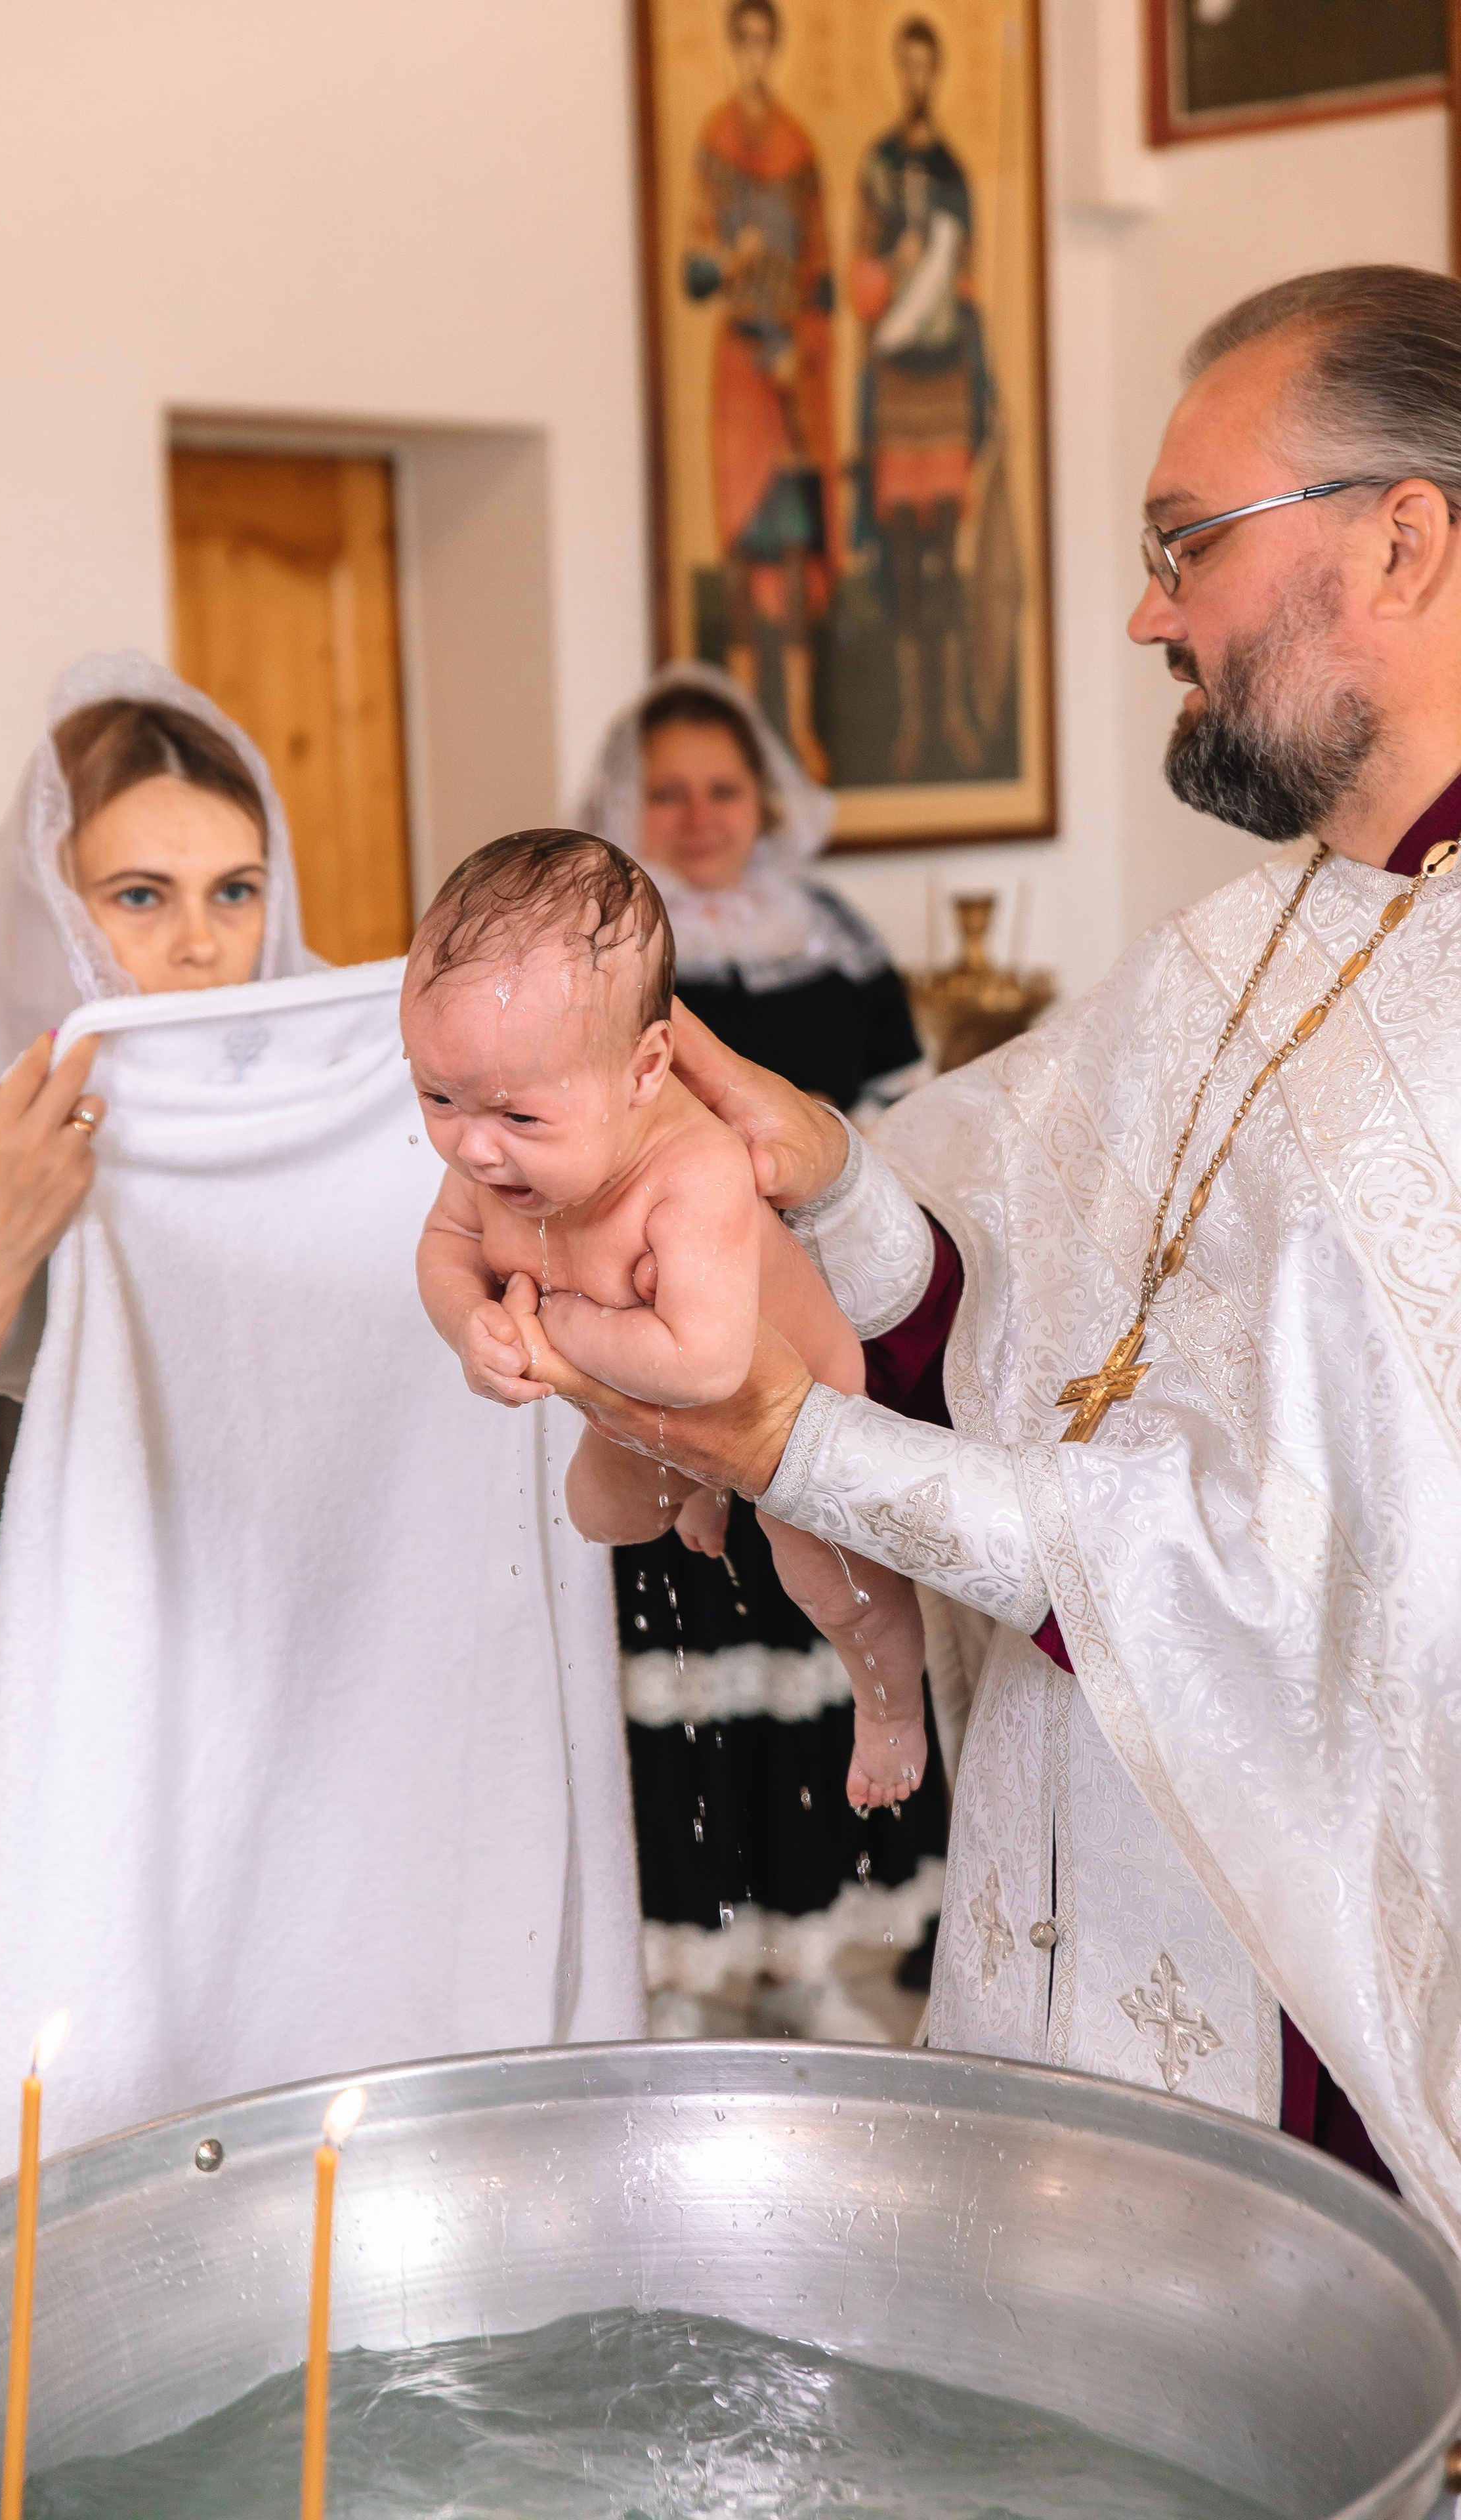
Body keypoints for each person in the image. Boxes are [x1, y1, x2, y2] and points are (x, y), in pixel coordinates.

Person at [519, 264, 1461, 2239]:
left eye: (1183, 545)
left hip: (1335, 2044)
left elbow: (1294, 1596)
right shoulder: (1250, 941)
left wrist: (800, 1445)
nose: (1144, 612)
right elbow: (1013, 1316)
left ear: (1402, 537)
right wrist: (834, 1184)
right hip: (1088, 1924)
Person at [0, 657, 640, 2175]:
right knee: (83, 2277)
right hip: (57, 1804)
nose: (199, 945)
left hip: (337, 1774)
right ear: (45, 905)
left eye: (235, 889)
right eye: (136, 895)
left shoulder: (383, 1131)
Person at [404, 829, 929, 1814]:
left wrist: (551, 1331)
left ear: (646, 1071)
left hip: (794, 1412)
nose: (472, 1148)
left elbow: (705, 1361)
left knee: (831, 1578)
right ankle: (695, 1489)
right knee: (599, 1515)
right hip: (641, 1401)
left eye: (518, 1118)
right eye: (437, 1096)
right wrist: (469, 1324)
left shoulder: (692, 1176)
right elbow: (445, 1247)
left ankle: (892, 1701)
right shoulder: (488, 1156)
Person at [575, 663, 944, 2040]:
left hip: (800, 1324)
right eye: (664, 792)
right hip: (664, 1334)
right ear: (627, 806)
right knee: (687, 1637)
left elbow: (896, 1131)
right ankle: (690, 1967)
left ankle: (813, 1949)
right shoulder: (614, 960)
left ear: (763, 798)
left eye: (720, 788)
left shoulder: (833, 935)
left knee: (820, 1625)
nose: (696, 814)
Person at [685, 0, 837, 778]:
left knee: (793, 542)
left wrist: (804, 355)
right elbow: (693, 269)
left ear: (774, 50)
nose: (751, 56)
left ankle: (802, 729)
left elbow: (821, 276)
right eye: (739, 43)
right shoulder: (712, 144)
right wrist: (727, 258)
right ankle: (747, 738)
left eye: (761, 43)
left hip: (790, 375)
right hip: (740, 374)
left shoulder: (799, 150)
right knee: (747, 551)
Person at [851, 14, 989, 777]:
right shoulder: (875, 167)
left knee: (944, 554)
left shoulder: (952, 170)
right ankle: (910, 718)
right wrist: (891, 267)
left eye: (923, 67)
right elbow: (855, 276)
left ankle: (951, 714)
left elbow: (969, 281)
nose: (914, 81)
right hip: (898, 380)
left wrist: (946, 273)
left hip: (945, 378)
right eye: (903, 67)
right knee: (904, 558)